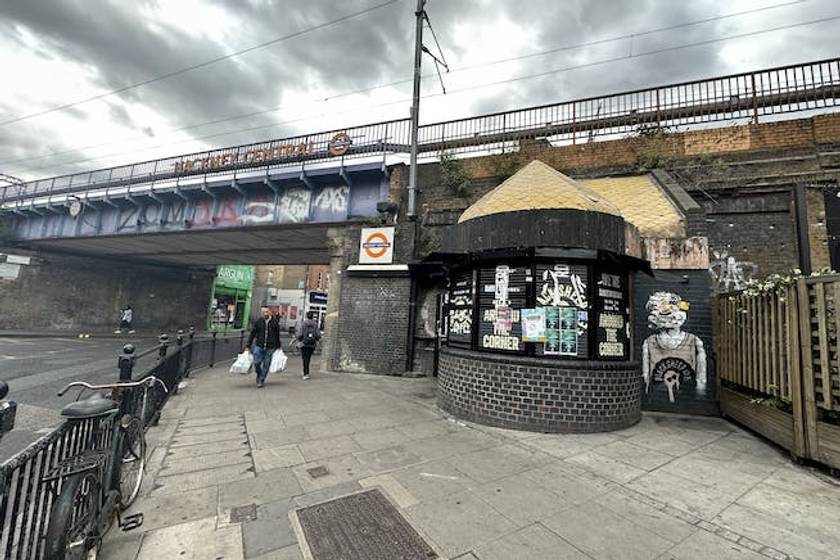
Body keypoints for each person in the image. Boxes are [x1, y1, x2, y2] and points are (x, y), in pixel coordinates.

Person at [247, 306, 282, 388]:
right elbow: (253, 333)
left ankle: (261, 380)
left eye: (266, 312)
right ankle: (259, 374)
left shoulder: (274, 322)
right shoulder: (258, 322)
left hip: (270, 346)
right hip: (259, 345)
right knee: (257, 362)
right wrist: (248, 345)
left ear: (270, 312)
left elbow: (277, 335)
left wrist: (278, 346)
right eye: (263, 312)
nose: (265, 313)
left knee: (266, 364)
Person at [296, 311, 321, 380]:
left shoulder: (304, 323)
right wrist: (316, 340)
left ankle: (306, 373)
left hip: (304, 343)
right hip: (312, 344)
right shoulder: (315, 324)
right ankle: (306, 372)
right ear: (312, 316)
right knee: (308, 358)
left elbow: (300, 334)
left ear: (307, 316)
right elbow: (318, 335)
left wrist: (299, 340)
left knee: (305, 359)